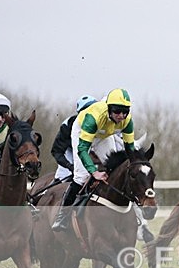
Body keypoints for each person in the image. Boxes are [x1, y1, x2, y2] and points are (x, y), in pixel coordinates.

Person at [52, 88, 137, 232]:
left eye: (125, 112)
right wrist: (93, 172)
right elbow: (82, 149)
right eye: (117, 111)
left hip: (103, 136)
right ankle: (63, 215)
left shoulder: (127, 121)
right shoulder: (94, 117)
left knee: (117, 168)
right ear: (109, 108)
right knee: (81, 176)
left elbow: (130, 149)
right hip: (82, 133)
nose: (121, 116)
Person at [51, 94, 97, 181]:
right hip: (71, 154)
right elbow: (57, 152)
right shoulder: (68, 125)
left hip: (92, 154)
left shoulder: (104, 122)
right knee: (64, 176)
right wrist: (70, 166)